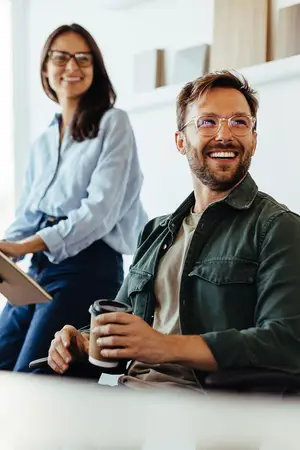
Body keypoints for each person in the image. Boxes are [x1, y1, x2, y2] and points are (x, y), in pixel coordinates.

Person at [47, 70, 300, 392]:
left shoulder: (278, 228)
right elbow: (123, 323)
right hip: (124, 394)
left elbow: (287, 343)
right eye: (207, 122)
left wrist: (164, 346)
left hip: (200, 409)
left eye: (239, 122)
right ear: (181, 141)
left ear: (254, 138)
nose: (225, 135)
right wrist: (83, 340)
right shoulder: (156, 230)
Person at [0, 23, 147, 373]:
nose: (72, 66)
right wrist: (7, 247)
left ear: (95, 70)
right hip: (38, 271)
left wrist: (25, 246)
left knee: (35, 380)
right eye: (62, 57)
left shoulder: (114, 123)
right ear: (45, 68)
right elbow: (28, 215)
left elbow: (99, 212)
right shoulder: (43, 142)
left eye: (83, 58)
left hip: (86, 270)